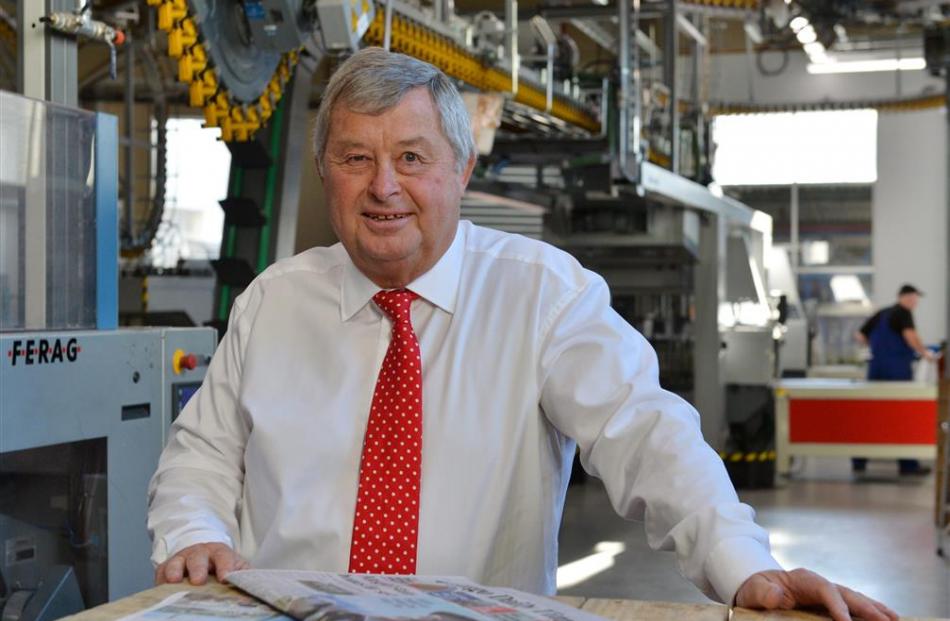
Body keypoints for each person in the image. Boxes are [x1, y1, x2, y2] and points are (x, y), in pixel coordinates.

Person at [148, 47, 897, 618]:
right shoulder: (272, 303)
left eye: (412, 158)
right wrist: (192, 531)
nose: (383, 186)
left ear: (461, 168)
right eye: (355, 159)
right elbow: (201, 457)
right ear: (324, 171)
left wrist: (742, 565)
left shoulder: (542, 295)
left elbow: (647, 434)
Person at [853, 284, 937, 475]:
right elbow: (910, 336)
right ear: (906, 297)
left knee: (871, 415)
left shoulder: (882, 313)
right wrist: (925, 353)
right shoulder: (904, 313)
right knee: (902, 415)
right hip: (897, 371)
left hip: (875, 369)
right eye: (915, 298)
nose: (915, 302)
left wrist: (877, 349)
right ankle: (908, 465)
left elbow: (860, 335)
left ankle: (859, 460)